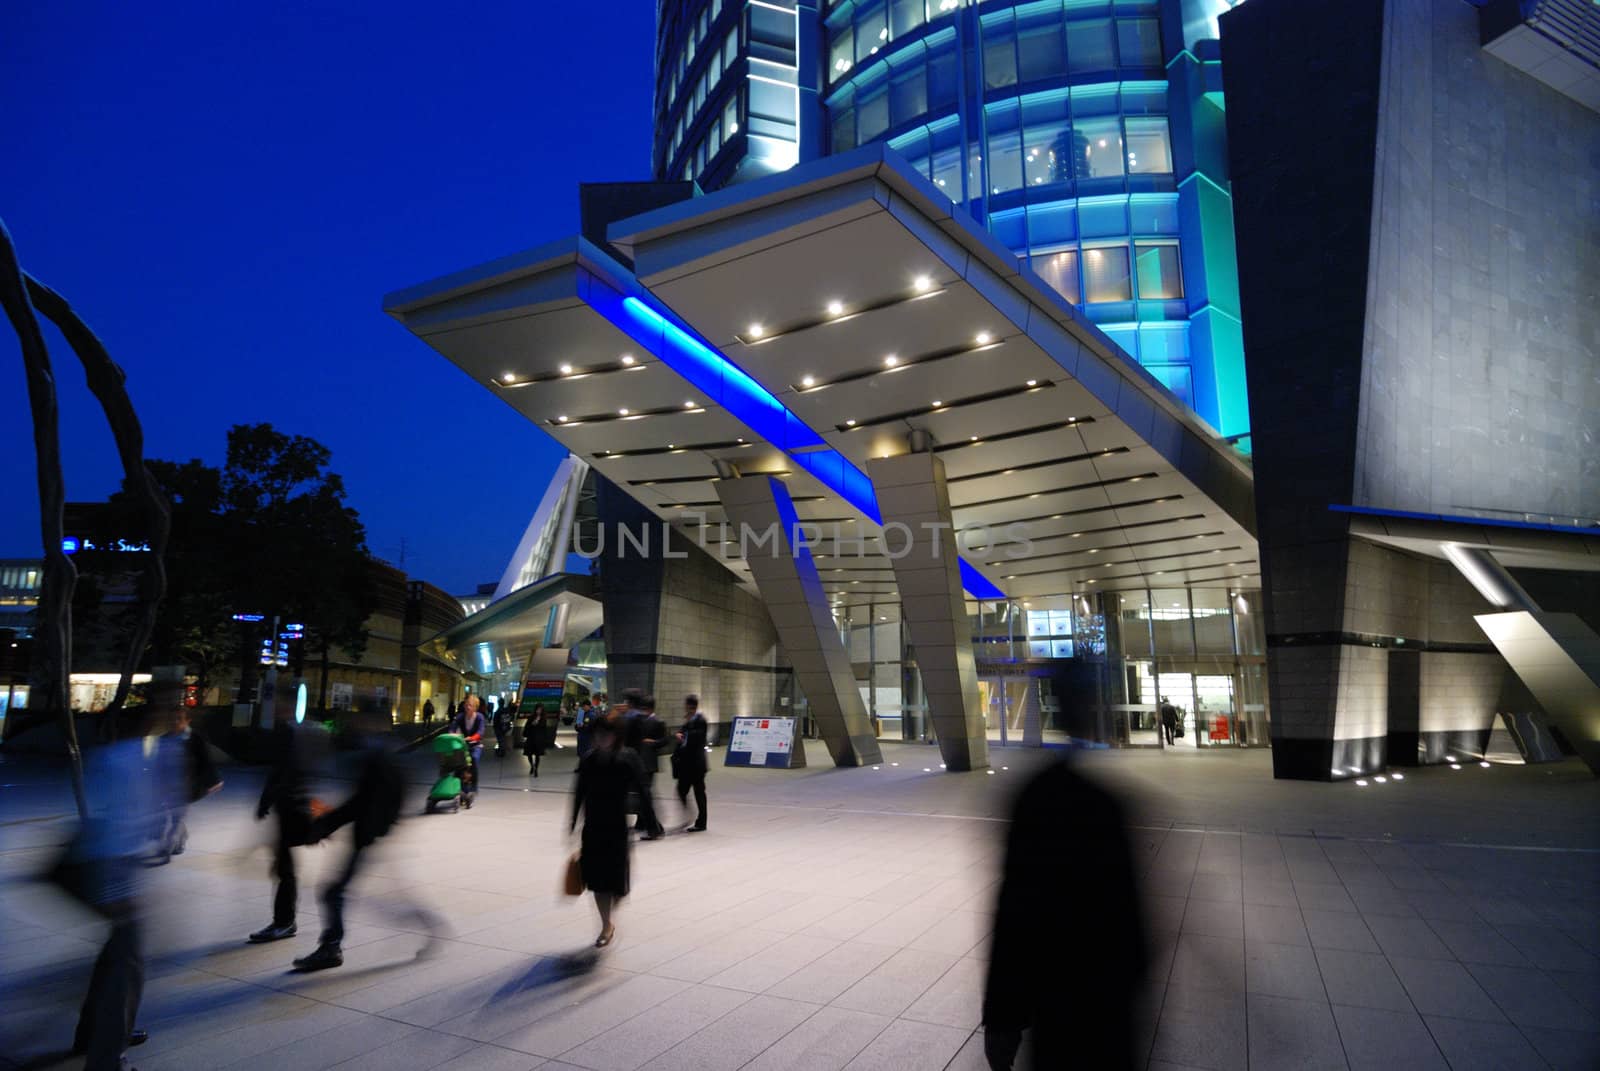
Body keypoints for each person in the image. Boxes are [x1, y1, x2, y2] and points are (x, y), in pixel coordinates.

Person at [982, 710, 1148, 1070]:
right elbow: (1135, 932)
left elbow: (1013, 917)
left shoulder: (1036, 797)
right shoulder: (1110, 804)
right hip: (1107, 1007)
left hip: (1055, 1003)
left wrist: (1002, 1016)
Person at [65, 700, 162, 1070]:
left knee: (115, 959)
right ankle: (107, 1056)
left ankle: (93, 1033)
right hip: (113, 872)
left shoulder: (114, 758)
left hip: (109, 868)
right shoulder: (124, 762)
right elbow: (117, 826)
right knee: (126, 964)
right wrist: (119, 892)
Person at [291, 704, 407, 972]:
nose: (356, 723)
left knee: (333, 891)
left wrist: (325, 825)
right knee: (342, 891)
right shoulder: (380, 751)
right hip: (369, 832)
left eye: (362, 717)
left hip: (367, 833)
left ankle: (331, 948)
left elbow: (362, 801)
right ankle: (424, 923)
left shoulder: (379, 755)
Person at [570, 710, 645, 948]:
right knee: (597, 883)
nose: (602, 738)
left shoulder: (628, 758)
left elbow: (644, 790)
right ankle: (606, 925)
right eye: (598, 733)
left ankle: (612, 908)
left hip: (617, 828)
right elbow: (579, 793)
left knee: (619, 887)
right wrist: (571, 823)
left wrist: (652, 819)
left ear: (616, 735)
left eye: (607, 733)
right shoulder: (589, 760)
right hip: (593, 828)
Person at [249, 712, 313, 943]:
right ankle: (284, 921)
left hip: (291, 810)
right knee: (283, 867)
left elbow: (284, 774)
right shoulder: (292, 734)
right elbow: (279, 773)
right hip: (287, 809)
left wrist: (267, 801)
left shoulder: (289, 734)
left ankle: (284, 922)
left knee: (285, 869)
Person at [152, 707, 223, 865]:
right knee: (171, 814)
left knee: (177, 816)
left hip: (187, 785)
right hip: (167, 786)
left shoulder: (195, 738)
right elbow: (156, 763)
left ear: (187, 721)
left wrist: (214, 780)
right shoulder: (163, 739)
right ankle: (180, 837)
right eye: (172, 719)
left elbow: (206, 761)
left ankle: (170, 845)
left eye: (179, 719)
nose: (175, 722)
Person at [625, 692, 666, 839]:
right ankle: (651, 827)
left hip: (640, 763)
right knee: (643, 797)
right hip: (638, 762)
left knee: (644, 797)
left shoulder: (634, 718)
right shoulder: (636, 718)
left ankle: (654, 828)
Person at [673, 694, 708, 833]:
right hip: (687, 765)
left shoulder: (700, 720)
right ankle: (690, 815)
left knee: (699, 793)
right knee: (681, 790)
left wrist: (686, 732)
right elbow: (683, 733)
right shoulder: (689, 720)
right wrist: (679, 734)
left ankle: (701, 822)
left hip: (697, 764)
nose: (687, 708)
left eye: (688, 706)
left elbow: (698, 737)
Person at [448, 695, 487, 807]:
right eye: (466, 705)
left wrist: (473, 738)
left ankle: (473, 787)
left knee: (473, 760)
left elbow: (480, 731)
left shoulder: (479, 717)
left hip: (475, 745)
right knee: (460, 765)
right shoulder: (461, 716)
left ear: (475, 707)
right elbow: (453, 727)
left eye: (470, 705)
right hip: (463, 745)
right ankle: (460, 788)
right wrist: (452, 733)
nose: (467, 707)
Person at [523, 703, 550, 776]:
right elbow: (527, 726)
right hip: (531, 738)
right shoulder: (531, 717)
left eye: (540, 710)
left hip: (538, 739)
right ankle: (532, 766)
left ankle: (536, 769)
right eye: (537, 709)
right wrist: (533, 723)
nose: (538, 711)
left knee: (537, 755)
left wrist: (545, 739)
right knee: (529, 754)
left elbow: (543, 729)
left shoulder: (543, 718)